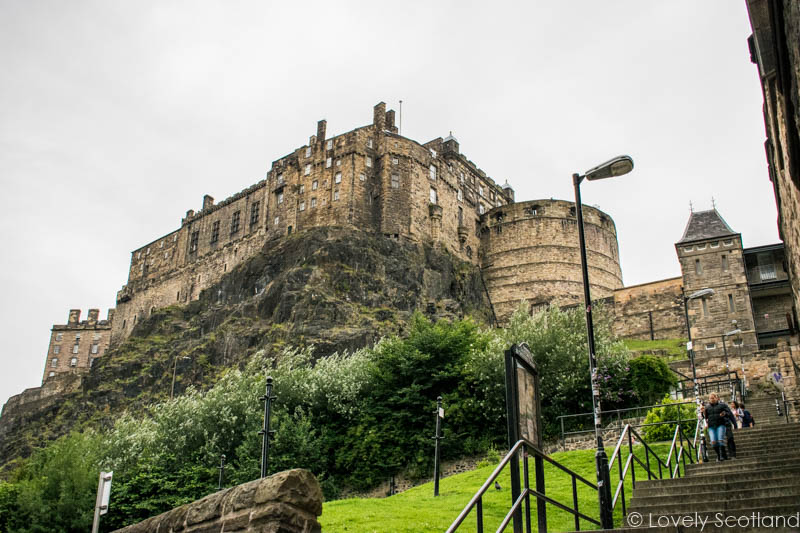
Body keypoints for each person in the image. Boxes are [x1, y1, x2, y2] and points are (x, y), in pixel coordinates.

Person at [702, 393, 730, 461]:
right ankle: (719, 455)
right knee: (713, 442)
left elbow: (728, 412)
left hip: (720, 424)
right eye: (710, 398)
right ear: (709, 399)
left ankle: (721, 456)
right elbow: (705, 417)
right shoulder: (707, 407)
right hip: (711, 426)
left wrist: (724, 414)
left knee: (720, 440)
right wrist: (703, 413)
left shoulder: (722, 405)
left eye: (713, 398)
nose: (712, 399)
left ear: (716, 398)